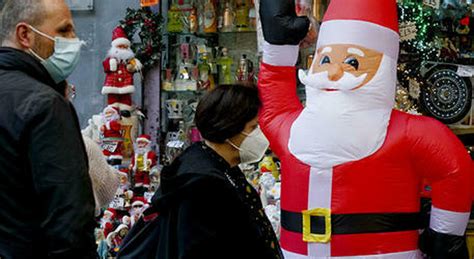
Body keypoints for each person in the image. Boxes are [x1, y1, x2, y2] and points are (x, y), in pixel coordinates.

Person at [258, 0, 472, 258]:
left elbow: (455, 171)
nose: (334, 71)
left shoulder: (408, 133)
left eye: (353, 62)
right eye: (326, 59)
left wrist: (444, 236)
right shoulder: (294, 129)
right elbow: (273, 106)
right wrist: (277, 46)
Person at [0, 0, 96, 258]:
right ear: (25, 35)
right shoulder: (45, 106)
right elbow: (69, 222)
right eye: (64, 31)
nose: (75, 41)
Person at [152, 85, 282, 258]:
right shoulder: (204, 184)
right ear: (229, 127)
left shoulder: (220, 166)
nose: (260, 134)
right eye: (253, 127)